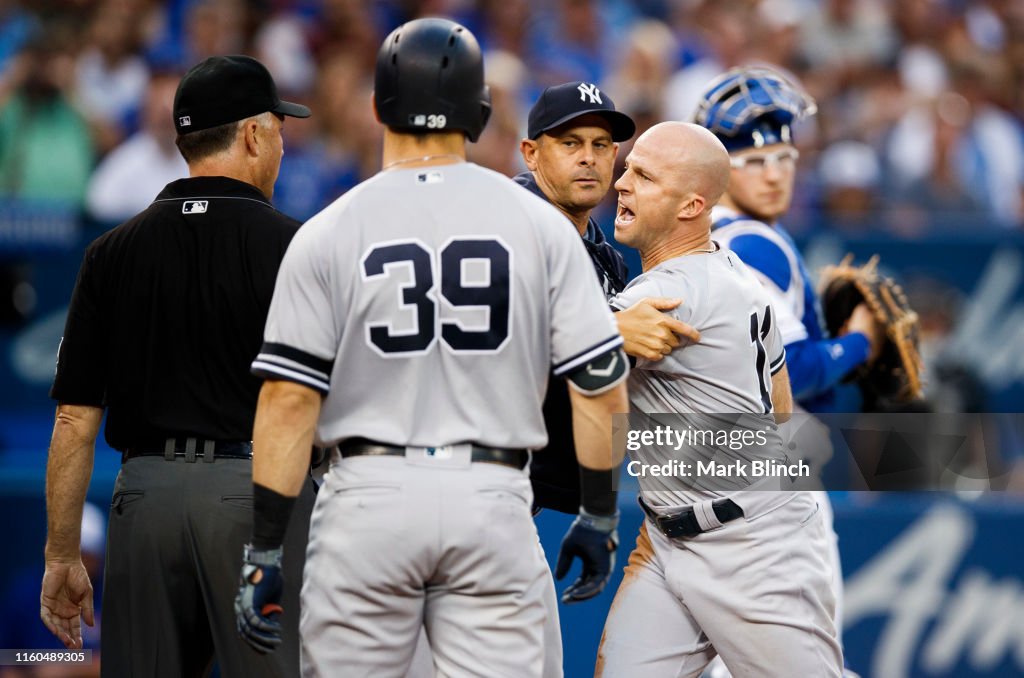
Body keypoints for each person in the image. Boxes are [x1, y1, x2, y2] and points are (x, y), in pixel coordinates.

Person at [232, 18, 629, 678]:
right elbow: (599, 383)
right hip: (492, 495)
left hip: (366, 496)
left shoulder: (330, 229)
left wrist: (266, 548)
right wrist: (600, 511)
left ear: (378, 107)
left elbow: (287, 399)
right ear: (479, 113)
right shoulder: (541, 226)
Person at [41, 55, 316, 677]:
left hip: (144, 503)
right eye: (278, 127)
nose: (282, 144)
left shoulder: (109, 252)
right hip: (255, 498)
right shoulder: (294, 246)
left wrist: (62, 554)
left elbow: (73, 420)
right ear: (251, 134)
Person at [596, 121, 843, 677]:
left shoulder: (667, 291)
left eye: (645, 176)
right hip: (668, 538)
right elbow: (780, 406)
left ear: (691, 206)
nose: (621, 183)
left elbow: (545, 366)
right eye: (629, 168)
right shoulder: (736, 273)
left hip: (755, 551)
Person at [692, 64, 881, 678]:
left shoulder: (703, 237)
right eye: (753, 161)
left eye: (783, 157)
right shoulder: (755, 243)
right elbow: (790, 372)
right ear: (720, 169)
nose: (773, 173)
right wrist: (858, 344)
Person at [516, 81, 698, 517]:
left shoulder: (605, 255)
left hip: (540, 493)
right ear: (531, 153)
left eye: (601, 145)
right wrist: (607, 333)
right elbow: (483, 349)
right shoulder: (507, 229)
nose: (588, 157)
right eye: (570, 143)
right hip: (485, 481)